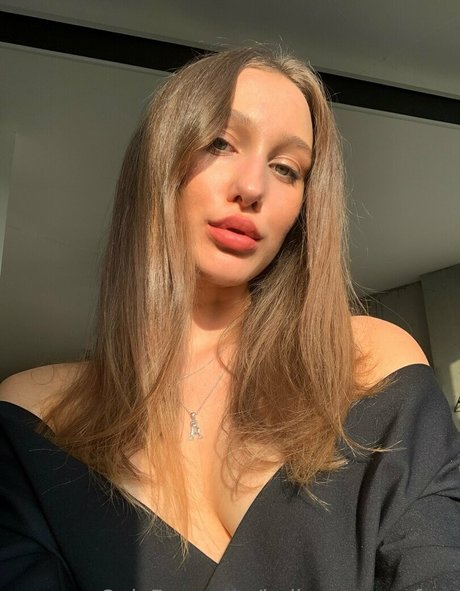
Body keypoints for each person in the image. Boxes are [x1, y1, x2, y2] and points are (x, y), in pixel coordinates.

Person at [0, 46, 459, 591]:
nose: (253, 187)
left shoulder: (367, 370)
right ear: (160, 159)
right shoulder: (38, 419)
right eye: (220, 142)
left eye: (286, 169)